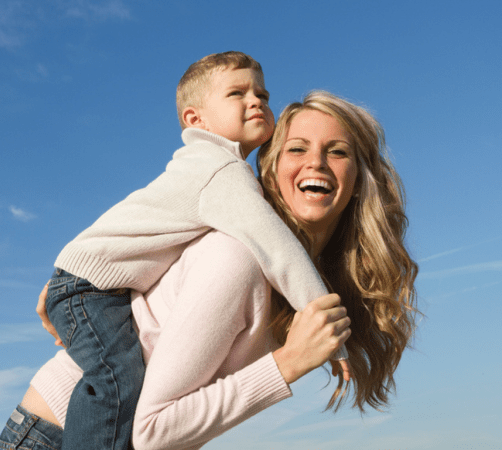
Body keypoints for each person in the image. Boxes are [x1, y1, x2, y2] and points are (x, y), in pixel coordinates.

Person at [0, 90, 418, 450]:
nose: (317, 163)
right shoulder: (237, 255)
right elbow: (153, 430)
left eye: (338, 151)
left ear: (360, 177)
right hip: (56, 437)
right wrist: (288, 362)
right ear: (270, 170)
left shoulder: (295, 273)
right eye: (297, 148)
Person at [37, 52, 349, 450]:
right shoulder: (223, 174)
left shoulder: (214, 177)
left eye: (263, 93)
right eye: (237, 93)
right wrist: (328, 330)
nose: (256, 101)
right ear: (195, 120)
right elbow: (280, 251)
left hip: (90, 285)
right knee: (115, 380)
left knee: (117, 379)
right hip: (84, 310)